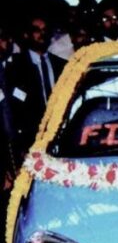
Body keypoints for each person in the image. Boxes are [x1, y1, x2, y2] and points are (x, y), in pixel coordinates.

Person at [4, 16, 67, 164]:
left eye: (45, 30)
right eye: (36, 30)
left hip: (61, 137)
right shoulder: (14, 69)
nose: (42, 34)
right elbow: (12, 110)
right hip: (29, 142)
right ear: (26, 34)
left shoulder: (63, 66)